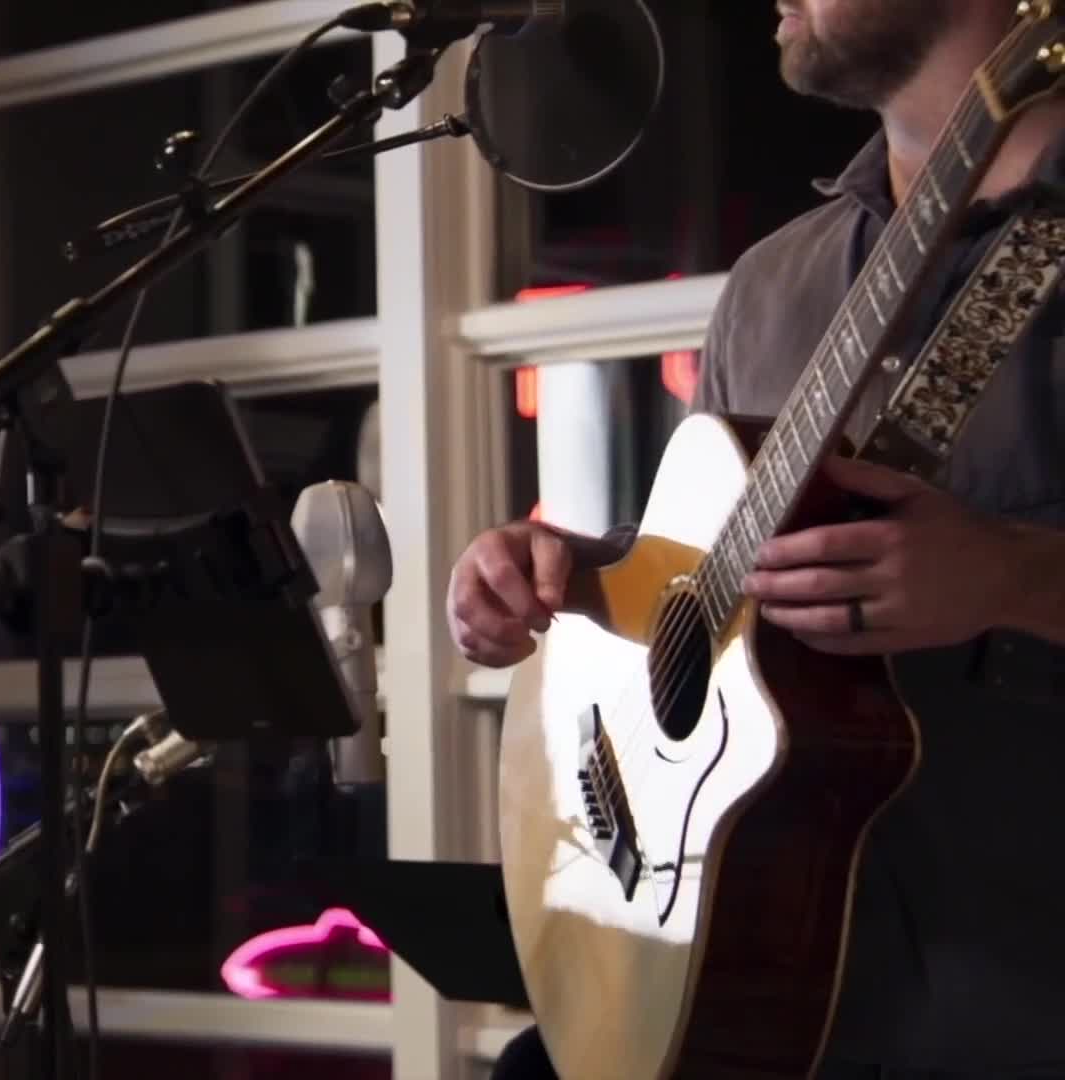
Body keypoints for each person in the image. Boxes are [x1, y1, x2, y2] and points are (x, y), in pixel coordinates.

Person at [449, 2, 1065, 1076]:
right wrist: (568, 577)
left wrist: (1012, 575)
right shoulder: (777, 284)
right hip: (773, 948)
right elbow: (705, 576)